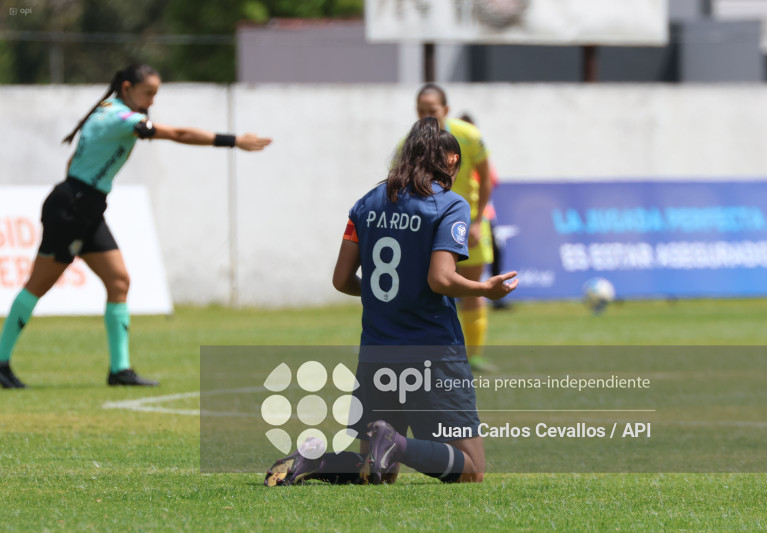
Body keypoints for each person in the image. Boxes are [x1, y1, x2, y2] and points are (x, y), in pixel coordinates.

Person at [264, 117, 517, 486]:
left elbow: (341, 280)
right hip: (432, 352)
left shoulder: (366, 203)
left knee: (378, 472)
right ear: (448, 160)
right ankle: (395, 443)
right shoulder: (449, 205)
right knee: (471, 470)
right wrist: (485, 291)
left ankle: (314, 461)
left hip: (378, 350)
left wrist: (389, 296)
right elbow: (441, 278)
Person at [0, 63, 272, 389]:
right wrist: (233, 140)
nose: (152, 101)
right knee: (38, 285)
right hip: (71, 209)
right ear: (127, 88)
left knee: (119, 281)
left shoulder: (107, 109)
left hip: (86, 208)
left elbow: (74, 160)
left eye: (155, 94)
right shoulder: (120, 117)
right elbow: (177, 134)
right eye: (148, 93)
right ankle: (1, 363)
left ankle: (120, 370)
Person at [415, 84, 497, 371]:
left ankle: (472, 357)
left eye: (432, 111)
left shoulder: (468, 136)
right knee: (431, 292)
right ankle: (435, 356)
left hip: (469, 222)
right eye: (421, 111)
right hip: (430, 227)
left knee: (473, 290)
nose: (426, 116)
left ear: (446, 110)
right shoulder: (410, 143)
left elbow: (486, 178)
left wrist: (476, 221)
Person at [458, 112, 511, 311]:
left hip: (482, 213)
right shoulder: (452, 156)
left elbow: (492, 179)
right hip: (460, 215)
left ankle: (497, 297)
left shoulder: (478, 154)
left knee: (496, 251)